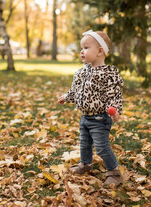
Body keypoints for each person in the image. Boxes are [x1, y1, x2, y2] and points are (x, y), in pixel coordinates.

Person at [58, 30, 124, 187]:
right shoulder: (81, 72)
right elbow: (76, 91)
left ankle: (114, 172)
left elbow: (114, 94)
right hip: (85, 117)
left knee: (101, 147)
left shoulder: (108, 73)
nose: (82, 51)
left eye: (86, 48)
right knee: (84, 143)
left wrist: (115, 110)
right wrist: (66, 97)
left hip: (100, 118)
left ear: (100, 51)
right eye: (81, 48)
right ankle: (86, 164)